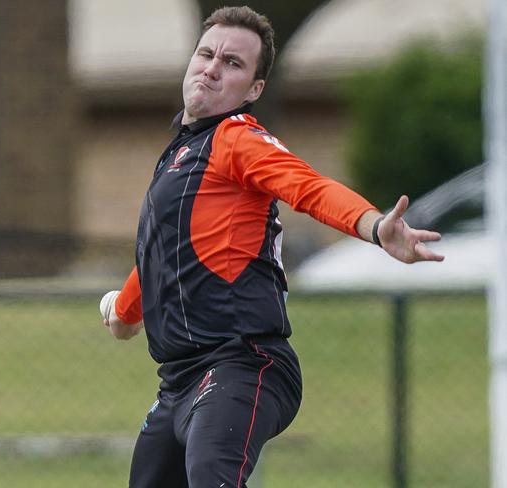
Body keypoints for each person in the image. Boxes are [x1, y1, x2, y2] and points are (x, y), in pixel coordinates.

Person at [99, 6, 444, 487]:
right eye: (206, 54)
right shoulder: (179, 156)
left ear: (255, 90)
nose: (213, 67)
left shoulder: (237, 139)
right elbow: (163, 252)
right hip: (179, 382)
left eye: (233, 63)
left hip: (243, 364)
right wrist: (127, 312)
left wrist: (372, 224)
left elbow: (310, 188)